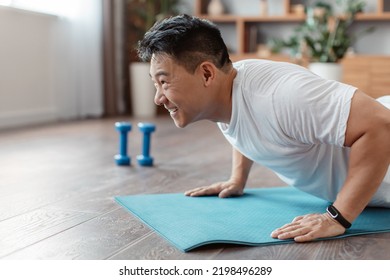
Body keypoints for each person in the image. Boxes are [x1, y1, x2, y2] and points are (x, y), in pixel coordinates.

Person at [137, 14, 390, 242]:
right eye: (155, 84)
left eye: (164, 82)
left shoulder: (282, 95)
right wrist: (238, 178)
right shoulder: (224, 96)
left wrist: (337, 217)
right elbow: (243, 122)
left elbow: (380, 126)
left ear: (206, 74)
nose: (158, 98)